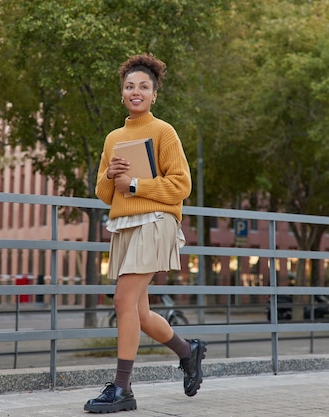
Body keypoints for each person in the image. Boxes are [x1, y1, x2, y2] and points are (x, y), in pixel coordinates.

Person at [85, 53, 207, 414]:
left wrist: (136, 183)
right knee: (137, 313)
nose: (135, 92)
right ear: (122, 94)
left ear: (154, 95)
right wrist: (111, 178)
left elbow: (181, 185)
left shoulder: (163, 131)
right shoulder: (113, 138)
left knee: (122, 299)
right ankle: (189, 351)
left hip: (156, 222)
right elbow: (103, 193)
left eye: (143, 87)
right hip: (124, 226)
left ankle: (122, 389)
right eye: (129, 86)